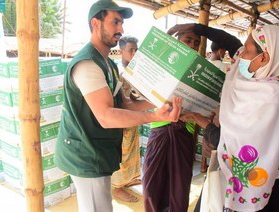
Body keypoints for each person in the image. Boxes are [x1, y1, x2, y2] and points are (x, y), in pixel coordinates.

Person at [54, 1, 183, 212]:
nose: (121, 30)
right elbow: (106, 116)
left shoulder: (108, 64)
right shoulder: (87, 64)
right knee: (97, 208)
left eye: (122, 23)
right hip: (85, 155)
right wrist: (153, 116)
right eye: (115, 22)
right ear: (95, 23)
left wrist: (160, 101)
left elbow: (124, 104)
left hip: (97, 151)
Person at [168, 23, 279, 211]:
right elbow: (230, 41)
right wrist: (196, 27)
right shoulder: (249, 78)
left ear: (265, 58)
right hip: (223, 170)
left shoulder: (271, 98)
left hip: (246, 184)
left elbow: (243, 150)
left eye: (247, 50)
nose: (240, 54)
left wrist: (202, 122)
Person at [141, 29, 201, 212]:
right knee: (151, 187)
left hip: (184, 132)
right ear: (177, 41)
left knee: (179, 189)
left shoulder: (199, 72)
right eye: (187, 40)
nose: (191, 45)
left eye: (196, 43)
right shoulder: (162, 65)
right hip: (160, 128)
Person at [111, 35, 142, 203]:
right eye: (131, 50)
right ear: (121, 51)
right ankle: (117, 188)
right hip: (121, 119)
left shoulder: (135, 70)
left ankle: (128, 179)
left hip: (133, 118)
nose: (135, 53)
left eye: (137, 50)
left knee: (132, 151)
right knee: (121, 153)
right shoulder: (117, 72)